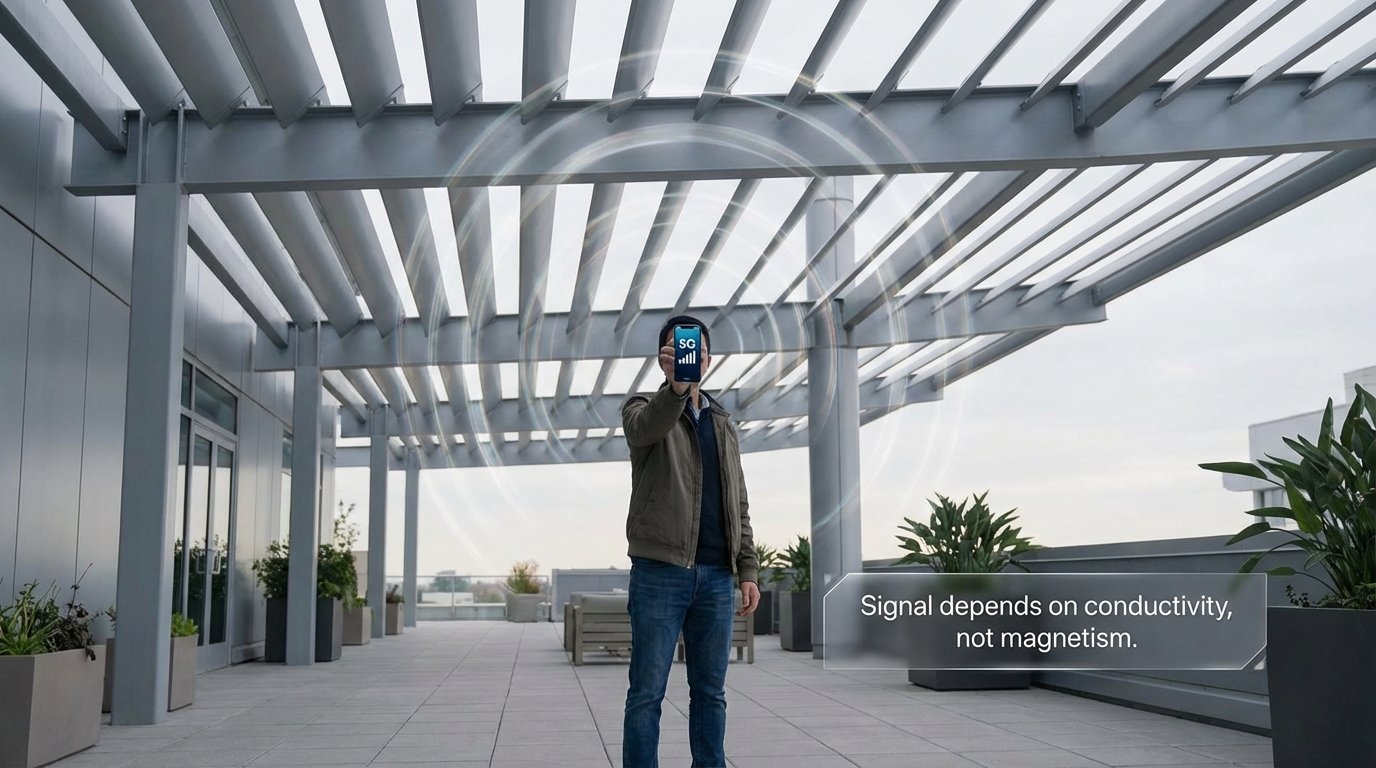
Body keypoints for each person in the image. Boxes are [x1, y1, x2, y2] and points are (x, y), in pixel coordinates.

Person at [621, 314, 760, 768]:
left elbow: (737, 498)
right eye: (677, 348)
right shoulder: (642, 408)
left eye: (695, 349)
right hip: (660, 573)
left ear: (708, 358)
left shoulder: (723, 422)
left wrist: (748, 570)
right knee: (646, 695)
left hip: (717, 578)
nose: (688, 356)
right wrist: (676, 390)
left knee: (710, 695)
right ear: (663, 357)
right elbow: (646, 430)